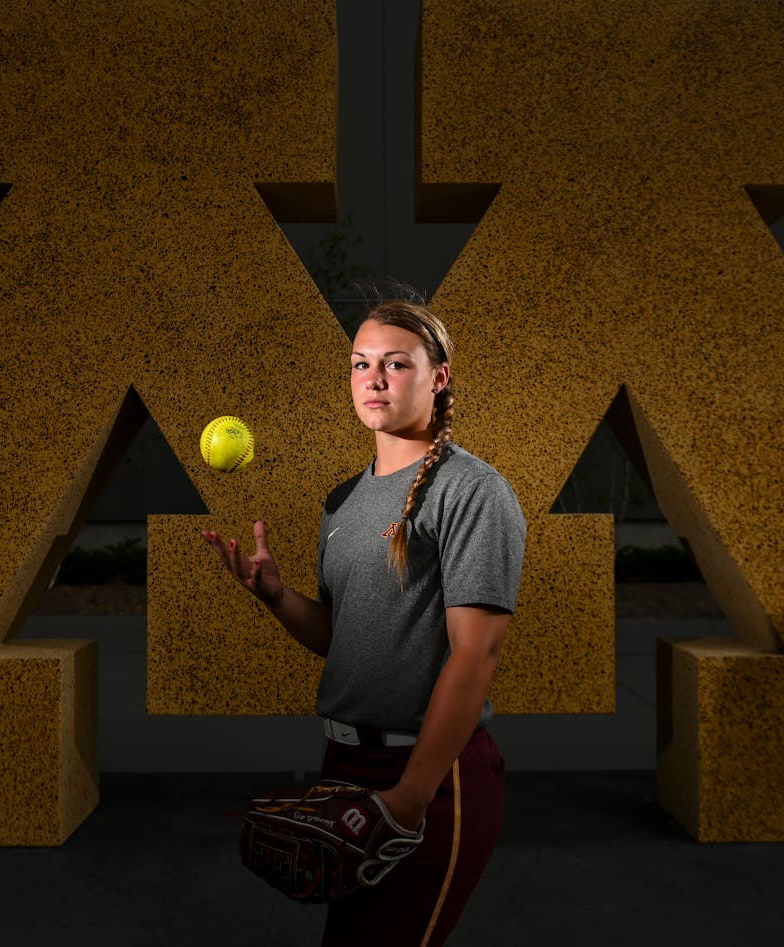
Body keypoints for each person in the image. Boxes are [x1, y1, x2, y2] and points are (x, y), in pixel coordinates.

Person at [200, 298, 526, 946]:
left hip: (432, 776)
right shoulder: (343, 499)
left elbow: (475, 654)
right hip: (345, 765)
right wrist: (277, 596)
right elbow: (342, 638)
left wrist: (408, 797)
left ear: (439, 376)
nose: (373, 378)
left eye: (396, 363)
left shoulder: (472, 491)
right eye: (361, 363)